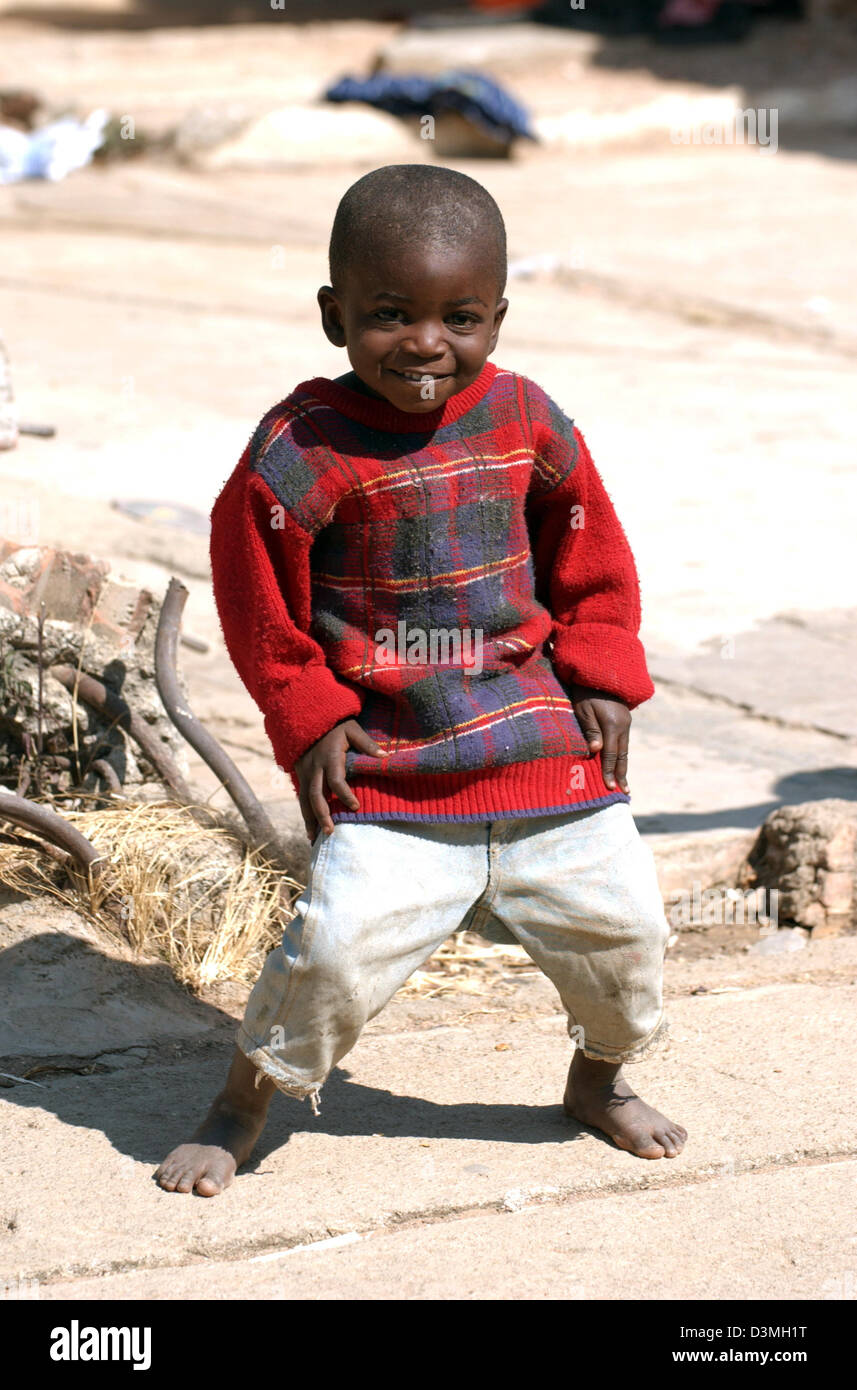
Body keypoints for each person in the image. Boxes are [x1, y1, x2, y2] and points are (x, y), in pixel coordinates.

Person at [156, 164, 687, 1197]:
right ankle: (243, 1100)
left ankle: (597, 1078)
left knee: (626, 935)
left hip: (538, 752)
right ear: (332, 315)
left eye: (460, 316)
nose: (426, 344)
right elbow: (255, 598)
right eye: (389, 314)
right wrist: (308, 714)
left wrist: (602, 675)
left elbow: (591, 556)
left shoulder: (529, 420)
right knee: (332, 954)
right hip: (390, 771)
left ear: (497, 314)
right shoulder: (300, 450)